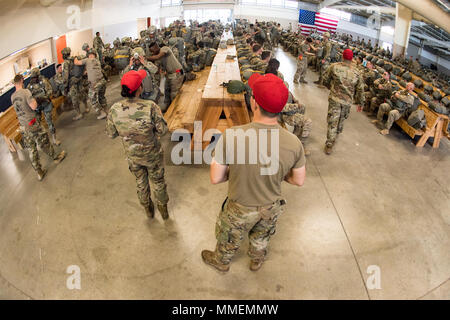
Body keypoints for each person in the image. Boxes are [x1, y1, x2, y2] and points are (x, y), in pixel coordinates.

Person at [201, 73, 306, 272]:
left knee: (229, 237)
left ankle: (222, 261)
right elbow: (298, 180)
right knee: (261, 237)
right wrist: (278, 172)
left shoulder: (232, 136)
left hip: (239, 207)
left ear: (253, 102)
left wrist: (237, 170)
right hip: (270, 206)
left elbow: (216, 178)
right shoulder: (294, 143)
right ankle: (256, 260)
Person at [106, 70, 169, 219]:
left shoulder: (114, 109)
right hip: (152, 154)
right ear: (139, 88)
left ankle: (148, 210)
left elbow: (111, 134)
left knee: (140, 181)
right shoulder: (150, 106)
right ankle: (164, 212)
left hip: (133, 156)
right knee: (158, 182)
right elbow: (163, 130)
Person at [11, 75, 66, 181]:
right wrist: (37, 100)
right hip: (32, 124)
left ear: (14, 83)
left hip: (23, 126)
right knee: (44, 142)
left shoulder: (12, 96)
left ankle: (39, 172)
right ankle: (56, 157)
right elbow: (34, 106)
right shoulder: (25, 92)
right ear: (22, 80)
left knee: (32, 149)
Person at [322, 49, 364, 155]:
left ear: (342, 57)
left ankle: (329, 145)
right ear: (352, 59)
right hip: (347, 102)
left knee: (333, 121)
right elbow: (360, 89)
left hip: (335, 99)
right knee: (341, 119)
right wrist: (361, 103)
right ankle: (336, 135)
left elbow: (325, 80)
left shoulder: (334, 66)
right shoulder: (356, 72)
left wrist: (331, 88)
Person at [27, 67, 61, 145]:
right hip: (37, 107)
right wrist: (35, 101)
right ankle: (43, 141)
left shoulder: (43, 81)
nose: (34, 79)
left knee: (49, 121)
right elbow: (29, 98)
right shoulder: (29, 86)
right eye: (33, 77)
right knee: (38, 124)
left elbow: (50, 91)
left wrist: (44, 98)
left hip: (46, 103)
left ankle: (54, 138)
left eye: (35, 77)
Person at [148, 42, 183, 108]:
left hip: (177, 73)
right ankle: (168, 108)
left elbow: (157, 57)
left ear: (156, 47)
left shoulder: (164, 49)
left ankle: (175, 110)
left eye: (152, 51)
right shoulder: (157, 58)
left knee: (174, 94)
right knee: (167, 92)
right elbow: (157, 70)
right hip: (169, 75)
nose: (152, 53)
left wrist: (146, 58)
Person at [74, 50, 108, 120]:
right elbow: (91, 70)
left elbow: (76, 62)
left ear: (89, 55)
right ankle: (106, 110)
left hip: (95, 83)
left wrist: (75, 57)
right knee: (101, 96)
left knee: (92, 98)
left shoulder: (87, 60)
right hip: (102, 81)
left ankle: (102, 113)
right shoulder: (97, 61)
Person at [61, 47, 84, 121]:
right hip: (79, 79)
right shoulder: (74, 59)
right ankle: (86, 107)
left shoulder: (65, 63)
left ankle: (78, 113)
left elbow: (66, 76)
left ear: (64, 54)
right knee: (81, 93)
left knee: (74, 98)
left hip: (72, 82)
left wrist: (65, 87)